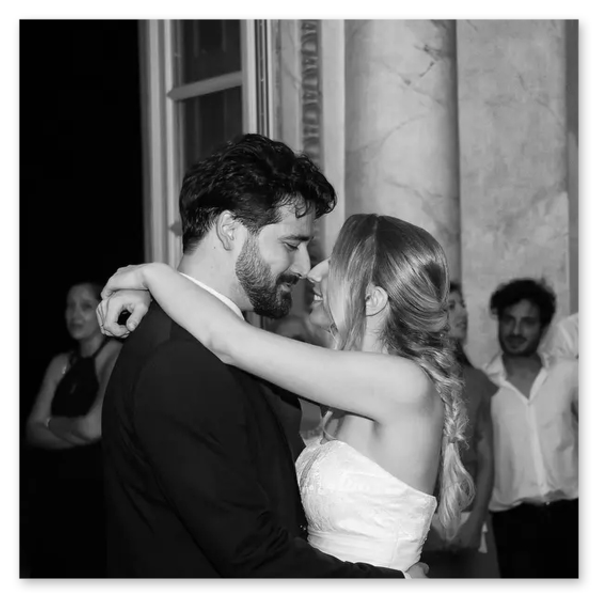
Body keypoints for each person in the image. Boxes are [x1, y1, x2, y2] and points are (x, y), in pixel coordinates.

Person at [97, 134, 428, 579]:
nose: (304, 267)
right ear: (230, 229)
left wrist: (152, 279)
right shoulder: (180, 360)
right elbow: (251, 555)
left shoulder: (223, 343)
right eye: (291, 244)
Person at [483, 278, 579, 579]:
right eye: (508, 320)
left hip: (571, 515)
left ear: (544, 327)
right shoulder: (484, 383)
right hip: (512, 525)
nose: (515, 331)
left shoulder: (568, 373)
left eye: (527, 322)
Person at [25, 280, 121, 579]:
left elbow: (93, 428)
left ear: (103, 309)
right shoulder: (60, 362)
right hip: (51, 495)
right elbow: (31, 430)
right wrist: (75, 431)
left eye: (85, 306)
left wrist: (51, 423)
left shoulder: (115, 355)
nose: (74, 314)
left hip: (95, 498)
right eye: (69, 306)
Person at [421, 282, 500, 578]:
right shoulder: (412, 378)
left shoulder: (477, 380)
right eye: (451, 306)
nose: (463, 313)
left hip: (472, 519)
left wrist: (476, 521)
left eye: (462, 305)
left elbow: (487, 458)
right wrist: (426, 526)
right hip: (420, 521)